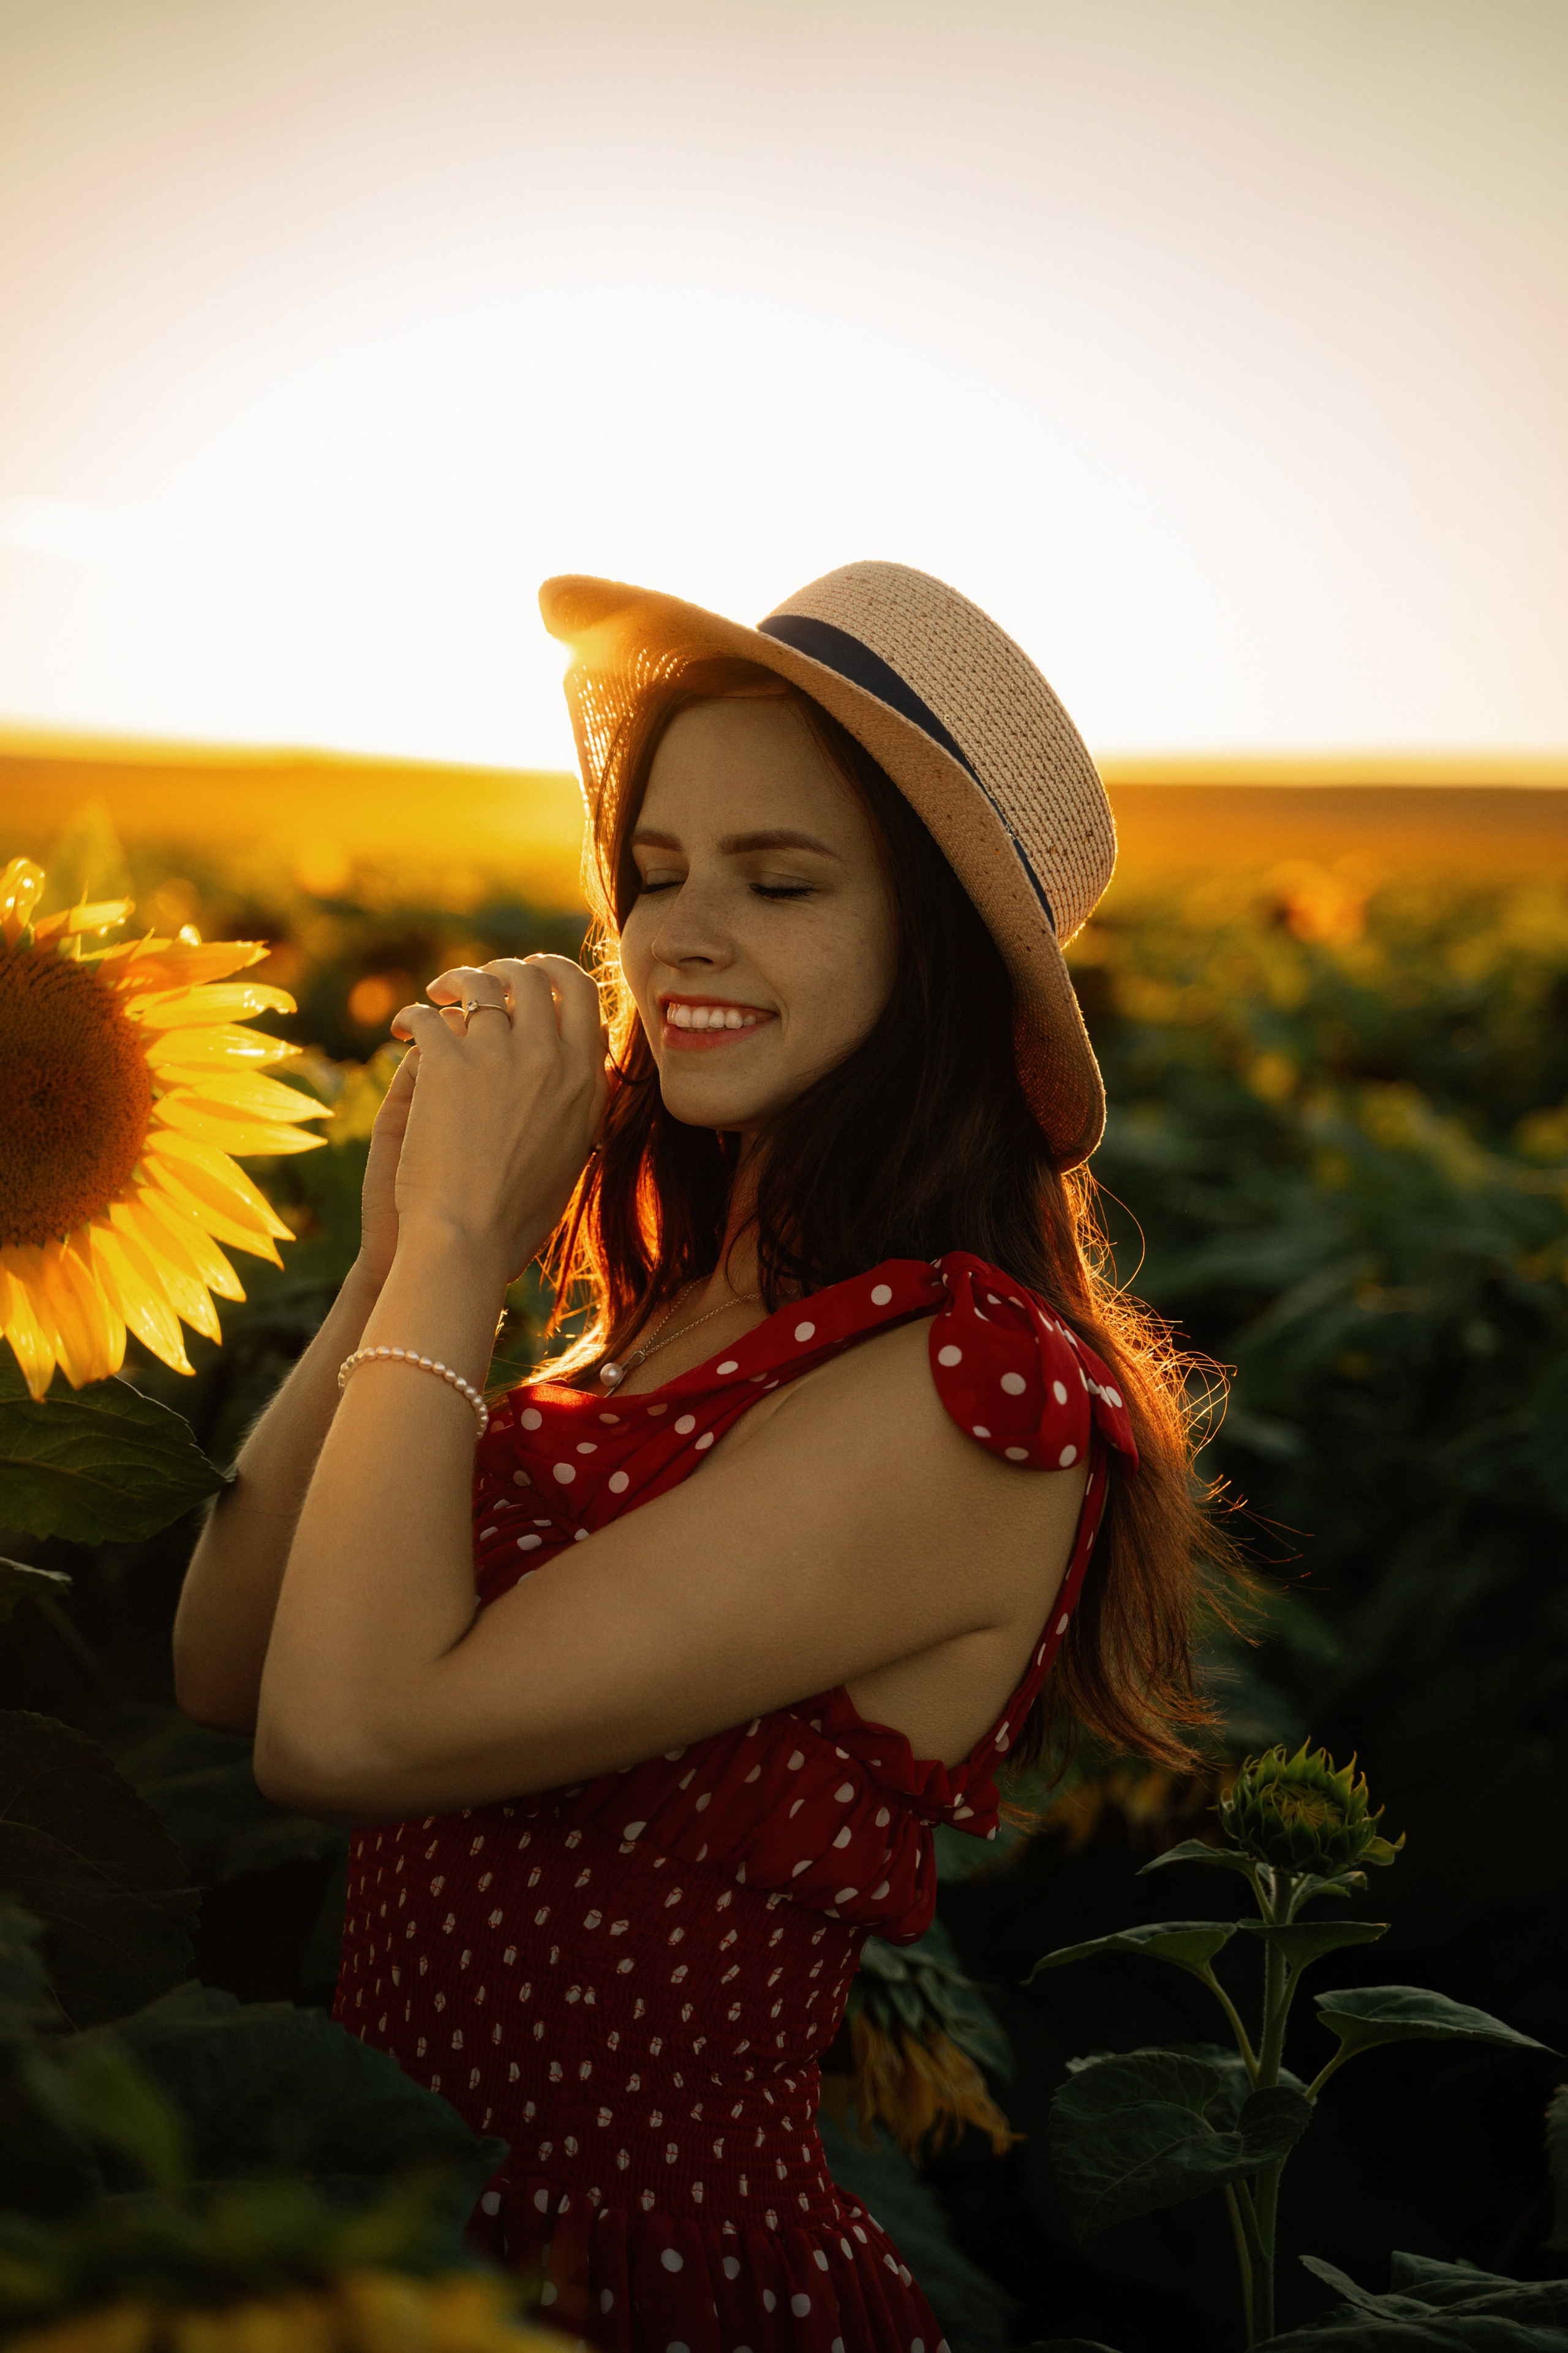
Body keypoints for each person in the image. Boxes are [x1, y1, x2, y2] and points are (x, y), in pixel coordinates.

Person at [174, 562, 1229, 2353]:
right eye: (653, 875)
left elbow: (340, 1738)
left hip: (636, 2278)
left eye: (781, 880)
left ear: (941, 959)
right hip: (394, 2253)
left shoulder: (970, 1395)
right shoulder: (659, 1314)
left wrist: (449, 1259)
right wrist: (388, 1259)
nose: (675, 937)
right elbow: (223, 1664)